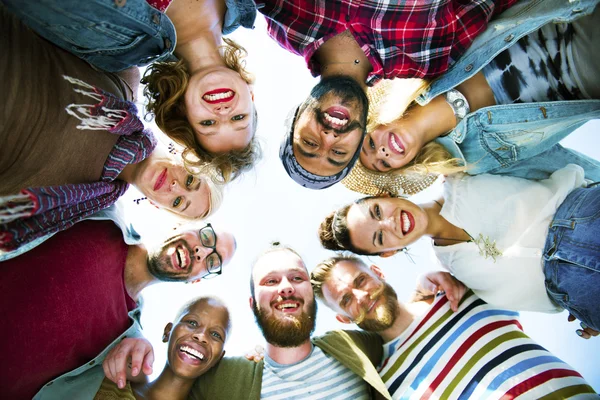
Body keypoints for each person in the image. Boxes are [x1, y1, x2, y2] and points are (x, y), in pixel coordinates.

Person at [0, 5, 223, 251]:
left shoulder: (75, 209)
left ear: (157, 205)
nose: (175, 188)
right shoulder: (125, 79)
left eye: (178, 201)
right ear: (187, 154)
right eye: (190, 179)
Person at [257, 0, 518, 189]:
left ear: (296, 119)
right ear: (360, 138)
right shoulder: (431, 55)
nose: (329, 137)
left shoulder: (283, 18)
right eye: (338, 153)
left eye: (310, 143)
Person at [354, 0, 600, 194]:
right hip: (588, 78)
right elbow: (549, 160)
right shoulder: (472, 160)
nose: (383, 152)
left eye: (371, 144)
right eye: (383, 164)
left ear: (376, 120)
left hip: (568, 13)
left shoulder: (423, 65)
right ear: (403, 167)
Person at [1, 0, 260, 183]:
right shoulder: (248, 7)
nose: (223, 112)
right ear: (250, 96)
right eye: (239, 119)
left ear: (183, 109)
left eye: (208, 123)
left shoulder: (116, 51)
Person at [319, 164, 600, 332]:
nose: (390, 223)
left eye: (377, 211)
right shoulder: (455, 269)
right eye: (379, 238)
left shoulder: (464, 172)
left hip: (583, 220)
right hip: (578, 294)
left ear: (385, 194)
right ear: (387, 253)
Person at [0, 219, 236, 399]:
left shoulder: (125, 341)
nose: (201, 252)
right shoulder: (101, 218)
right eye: (206, 236)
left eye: (212, 262)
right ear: (180, 224)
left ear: (195, 280)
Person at [310, 255, 599, 398]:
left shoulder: (458, 291)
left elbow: (537, 266)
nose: (361, 296)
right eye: (346, 299)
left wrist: (589, 304)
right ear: (344, 319)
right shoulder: (385, 387)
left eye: (360, 281)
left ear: (377, 271)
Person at [190, 244, 391, 399]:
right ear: (252, 304)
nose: (286, 288)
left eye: (296, 278)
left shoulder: (356, 346)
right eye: (271, 281)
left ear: (312, 295)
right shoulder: (221, 380)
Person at [95, 296, 230, 399]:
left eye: (215, 334)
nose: (201, 336)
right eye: (192, 322)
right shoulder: (112, 381)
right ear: (168, 332)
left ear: (219, 359)